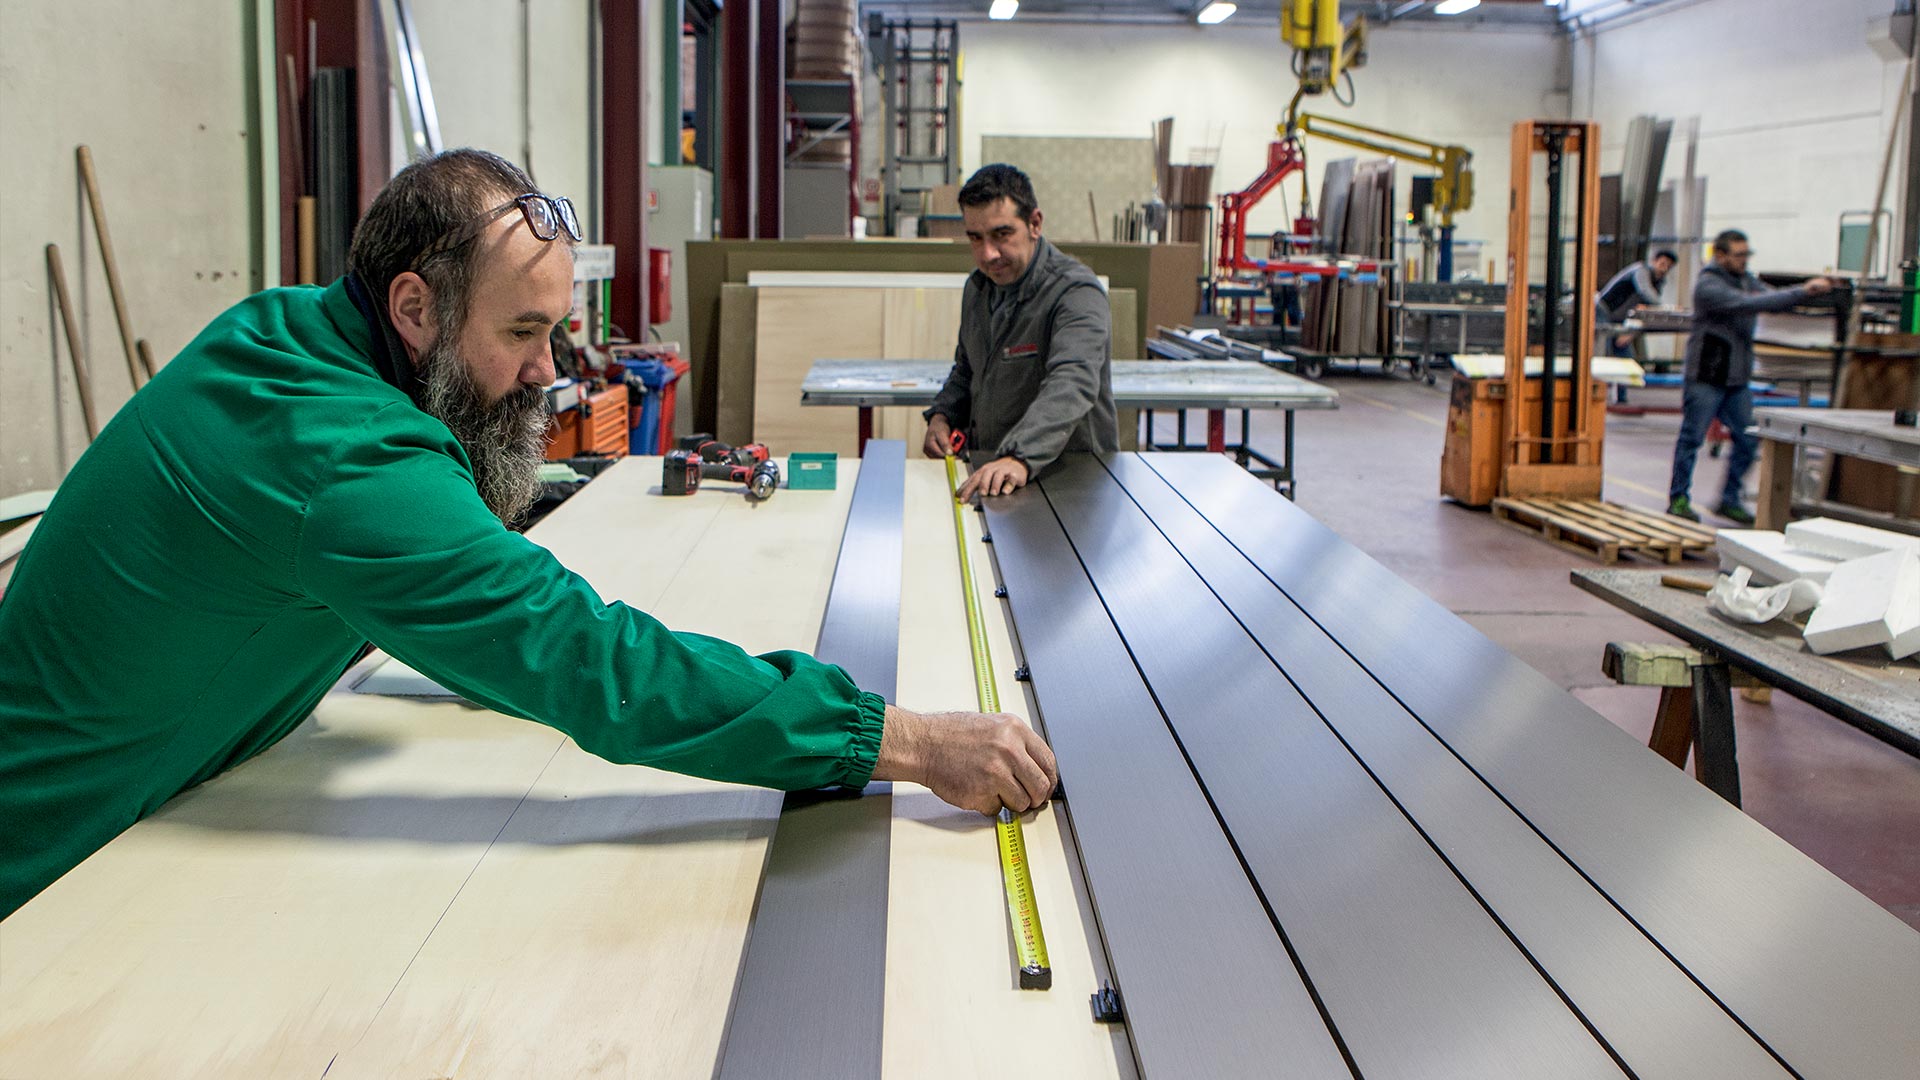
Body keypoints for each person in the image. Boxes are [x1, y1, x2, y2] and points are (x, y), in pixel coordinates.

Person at [0, 149, 1055, 919]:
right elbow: (585, 663)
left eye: (554, 328)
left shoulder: (289, 333)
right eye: (521, 332)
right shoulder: (344, 465)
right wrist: (903, 742)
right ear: (413, 306)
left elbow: (463, 591)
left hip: (157, 799)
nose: (550, 371)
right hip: (49, 871)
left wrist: (486, 625)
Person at [922, 164, 1118, 500]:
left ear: (1035, 224)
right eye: (975, 238)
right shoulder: (979, 289)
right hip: (999, 475)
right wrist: (943, 415)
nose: (988, 254)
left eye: (1001, 234)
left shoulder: (1075, 293)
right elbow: (967, 369)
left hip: (1070, 481)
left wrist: (1020, 456)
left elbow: (1072, 383)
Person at [1666, 229, 1831, 523]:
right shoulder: (1709, 285)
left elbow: (1768, 296)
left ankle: (1729, 499)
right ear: (1720, 255)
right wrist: (1803, 291)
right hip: (1706, 376)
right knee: (1692, 438)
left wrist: (1813, 294)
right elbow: (1751, 304)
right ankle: (1678, 498)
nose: (1744, 260)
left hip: (1736, 379)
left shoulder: (1745, 279)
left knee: (1748, 438)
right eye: (1739, 255)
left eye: (1746, 254)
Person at [1596, 249, 1678, 357]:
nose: (1664, 269)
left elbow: (1645, 310)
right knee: (1604, 348)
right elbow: (1645, 292)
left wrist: (1631, 333)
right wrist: (1667, 308)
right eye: (1662, 264)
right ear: (1654, 261)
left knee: (1624, 353)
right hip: (1604, 310)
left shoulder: (1657, 283)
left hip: (1621, 319)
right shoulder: (1640, 270)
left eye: (1668, 267)